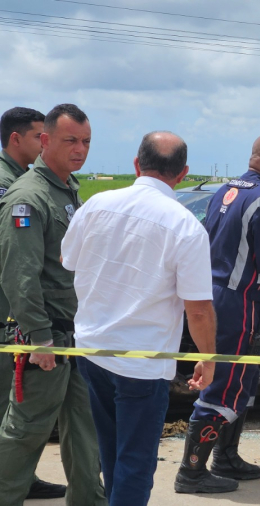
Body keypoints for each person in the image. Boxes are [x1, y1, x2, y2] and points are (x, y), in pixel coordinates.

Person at [61, 132, 218, 505]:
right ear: (183, 174)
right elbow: (197, 308)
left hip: (93, 352)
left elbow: (68, 262)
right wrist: (208, 358)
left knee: (113, 450)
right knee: (135, 460)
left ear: (136, 164)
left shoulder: (97, 204)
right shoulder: (185, 226)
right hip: (143, 364)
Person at [175, 134, 260, 494]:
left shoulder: (226, 190)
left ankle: (226, 457)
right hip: (240, 303)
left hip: (214, 293)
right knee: (224, 385)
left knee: (240, 383)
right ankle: (192, 472)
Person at [0, 103, 106, 505]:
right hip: (45, 339)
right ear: (44, 141)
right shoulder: (27, 198)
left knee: (85, 427)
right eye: (70, 141)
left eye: (86, 141)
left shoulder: (66, 188)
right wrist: (40, 338)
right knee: (25, 432)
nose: (80, 149)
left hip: (74, 335)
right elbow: (19, 276)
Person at [0, 106, 67, 501]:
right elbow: (15, 260)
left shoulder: (23, 179)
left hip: (15, 311)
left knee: (18, 411)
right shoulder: (12, 187)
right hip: (10, 311)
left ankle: (22, 478)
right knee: (14, 412)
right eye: (38, 136)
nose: (44, 143)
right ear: (15, 138)